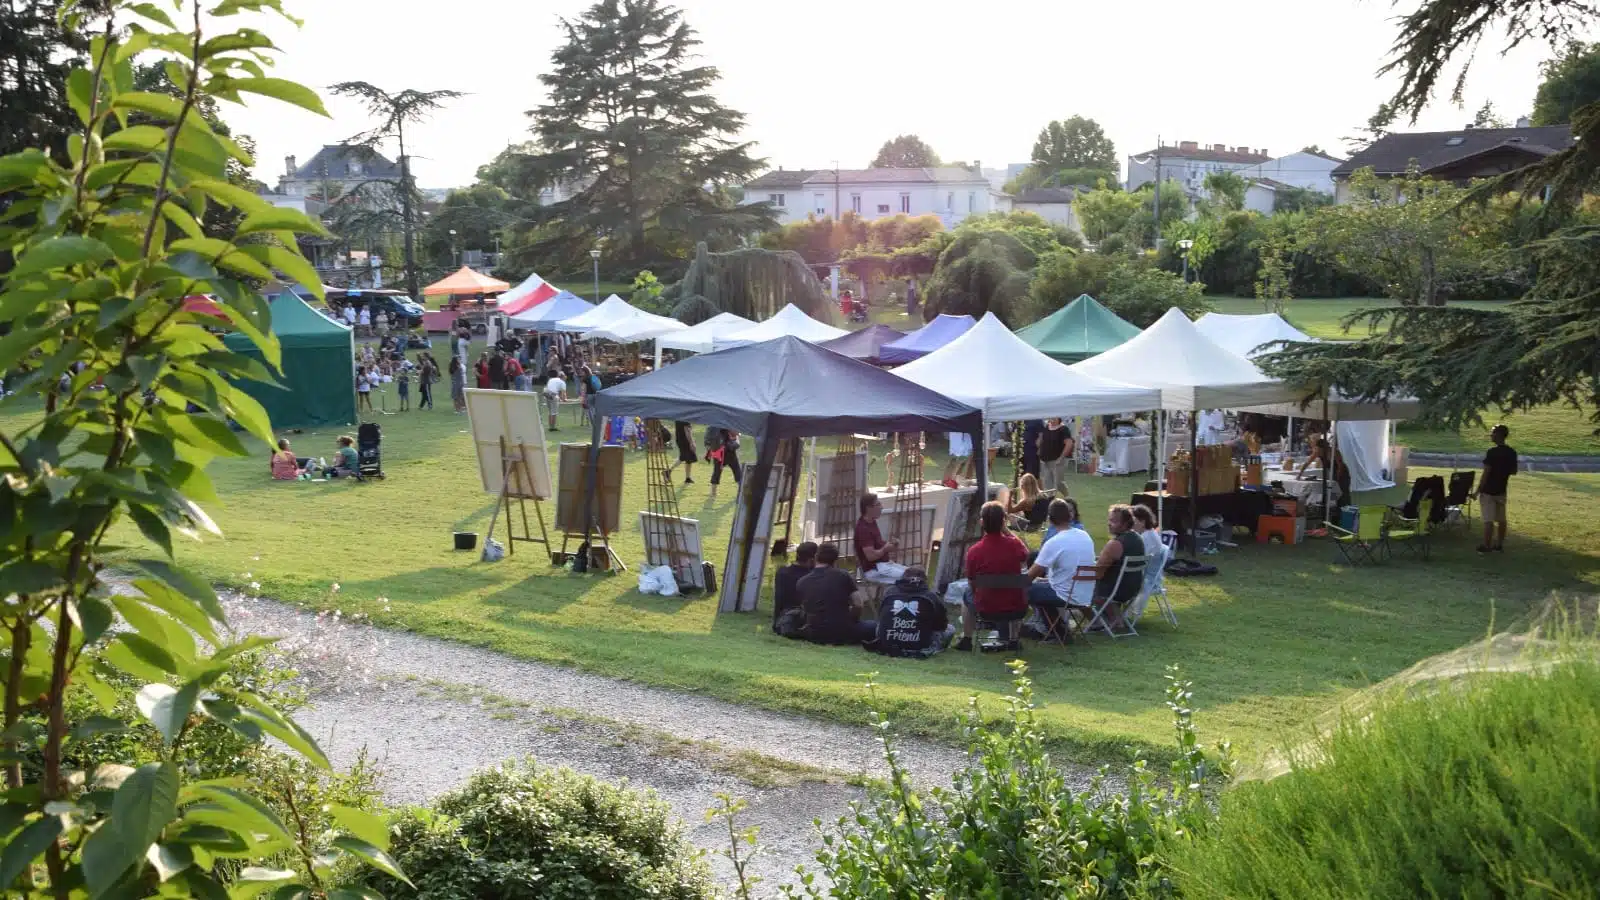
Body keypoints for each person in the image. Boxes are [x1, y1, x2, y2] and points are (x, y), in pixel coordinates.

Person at [957, 500, 1030, 652]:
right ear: (1003, 521)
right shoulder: (1014, 545)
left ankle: (967, 639)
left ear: (981, 522)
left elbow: (972, 582)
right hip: (1015, 606)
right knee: (1017, 591)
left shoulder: (974, 551)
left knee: (966, 594)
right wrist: (1007, 531)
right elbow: (1026, 554)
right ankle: (1014, 639)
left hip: (986, 607)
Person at [1026, 500, 1098, 639]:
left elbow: (1029, 576)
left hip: (1065, 595)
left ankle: (1040, 629)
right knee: (1039, 587)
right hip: (1085, 593)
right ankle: (1058, 631)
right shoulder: (1084, 535)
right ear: (1070, 517)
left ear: (1050, 519)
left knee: (1025, 589)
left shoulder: (1054, 542)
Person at [797, 543, 876, 645]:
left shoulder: (802, 582)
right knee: (875, 626)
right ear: (835, 560)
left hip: (814, 633)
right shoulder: (843, 576)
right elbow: (858, 604)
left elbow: (804, 608)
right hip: (842, 632)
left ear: (816, 557)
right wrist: (852, 620)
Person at [875, 566, 954, 658]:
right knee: (951, 629)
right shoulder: (931, 596)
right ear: (924, 580)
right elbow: (941, 626)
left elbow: (881, 617)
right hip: (919, 644)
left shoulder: (889, 592)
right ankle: (932, 647)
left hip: (888, 641)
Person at [1091, 505, 1145, 632]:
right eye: (1109, 520)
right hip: (1133, 589)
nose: (1109, 524)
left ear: (1126, 523)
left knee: (1079, 585)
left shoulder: (1115, 544)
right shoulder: (1138, 539)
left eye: (1114, 521)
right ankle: (1115, 619)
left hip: (1113, 591)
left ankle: (1104, 621)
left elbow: (1097, 573)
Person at [1476, 424, 1517, 554]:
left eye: (1493, 433)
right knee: (1501, 519)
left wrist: (1477, 491)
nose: (1491, 435)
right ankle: (1499, 545)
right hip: (1501, 489)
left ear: (1498, 435)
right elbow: (1514, 471)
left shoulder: (1492, 452)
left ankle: (1487, 546)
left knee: (1488, 520)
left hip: (1488, 491)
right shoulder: (1511, 452)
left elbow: (1486, 473)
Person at [855, 493, 904, 586]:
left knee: (917, 573)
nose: (882, 507)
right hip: (874, 570)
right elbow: (871, 556)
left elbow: (877, 546)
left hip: (883, 565)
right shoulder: (863, 529)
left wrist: (891, 545)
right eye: (878, 505)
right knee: (911, 578)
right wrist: (885, 549)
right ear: (868, 508)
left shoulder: (872, 522)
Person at [772, 541, 817, 635]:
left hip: (782, 619)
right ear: (812, 559)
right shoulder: (812, 576)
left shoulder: (782, 572)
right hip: (800, 619)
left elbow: (779, 600)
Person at [1299, 432, 1351, 509]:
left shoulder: (1334, 452)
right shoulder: (1317, 452)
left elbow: (1340, 466)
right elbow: (1307, 463)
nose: (1318, 450)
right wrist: (1299, 474)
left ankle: (1346, 508)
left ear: (1324, 447)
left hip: (1342, 472)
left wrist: (1337, 477)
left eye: (1319, 449)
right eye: (1317, 449)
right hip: (1331, 471)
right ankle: (1336, 508)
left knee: (1343, 491)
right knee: (1334, 491)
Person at [1038, 417, 1073, 491]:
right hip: (1045, 460)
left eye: (1054, 416)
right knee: (1047, 484)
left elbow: (1069, 444)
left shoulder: (1063, 429)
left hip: (1058, 461)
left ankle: (1067, 497)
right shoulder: (1045, 427)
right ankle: (1050, 500)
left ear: (1059, 417)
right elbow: (1041, 441)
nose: (1052, 418)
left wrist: (1061, 458)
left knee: (1059, 483)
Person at [706, 428, 741, 499]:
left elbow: (707, 441)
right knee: (737, 471)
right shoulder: (729, 423)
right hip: (730, 453)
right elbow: (736, 438)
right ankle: (741, 492)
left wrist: (710, 449)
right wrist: (737, 438)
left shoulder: (712, 427)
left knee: (716, 472)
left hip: (718, 454)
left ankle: (713, 494)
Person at [667, 420, 698, 484]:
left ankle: (687, 478)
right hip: (685, 441)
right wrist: (691, 442)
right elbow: (687, 431)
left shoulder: (680, 416)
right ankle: (668, 471)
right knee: (684, 457)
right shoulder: (685, 417)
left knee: (688, 459)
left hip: (680, 439)